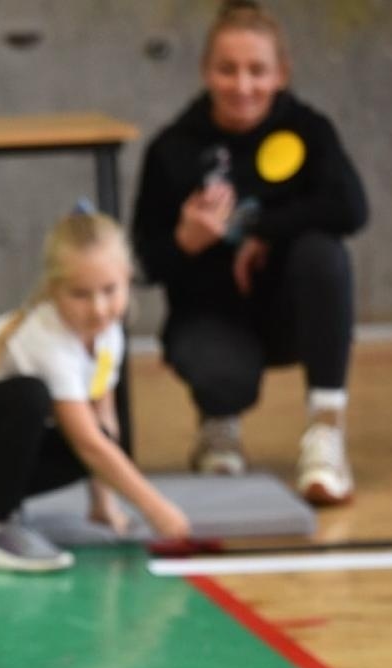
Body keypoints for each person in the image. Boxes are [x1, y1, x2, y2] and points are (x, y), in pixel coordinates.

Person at [131, 0, 368, 505]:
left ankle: (326, 432)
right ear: (205, 72)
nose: (242, 86)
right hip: (210, 318)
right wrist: (184, 241)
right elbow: (142, 262)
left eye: (257, 70)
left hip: (289, 315)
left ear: (280, 73)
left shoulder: (308, 130)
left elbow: (351, 208)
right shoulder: (172, 149)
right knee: (222, 378)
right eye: (227, 69)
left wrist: (262, 230)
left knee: (324, 253)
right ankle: (218, 426)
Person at [0, 205, 191, 572]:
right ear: (54, 289)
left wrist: (104, 504)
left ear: (127, 277)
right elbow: (87, 442)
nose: (99, 308)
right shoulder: (46, 336)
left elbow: (101, 424)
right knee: (30, 395)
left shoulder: (107, 335)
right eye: (80, 294)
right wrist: (156, 509)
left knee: (97, 437)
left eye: (109, 290)